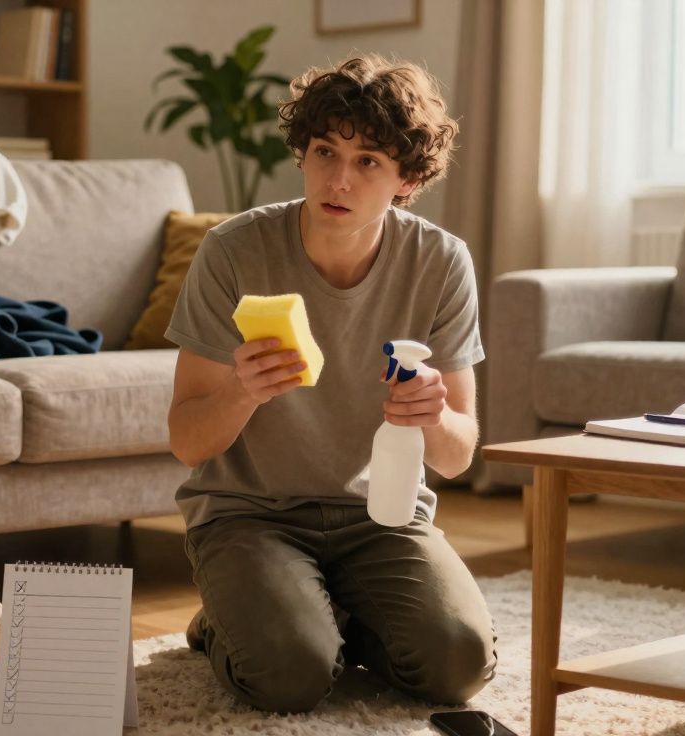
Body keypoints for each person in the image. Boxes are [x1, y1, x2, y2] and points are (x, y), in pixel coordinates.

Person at [164, 54, 495, 714]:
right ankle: (228, 618)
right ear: (304, 153)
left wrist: (432, 414)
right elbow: (186, 442)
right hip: (249, 517)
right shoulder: (234, 251)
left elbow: (457, 456)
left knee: (457, 666)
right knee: (288, 676)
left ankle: (318, 611)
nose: (338, 178)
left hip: (383, 517)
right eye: (324, 151)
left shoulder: (441, 262)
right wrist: (242, 390)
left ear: (408, 177)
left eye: (368, 159)